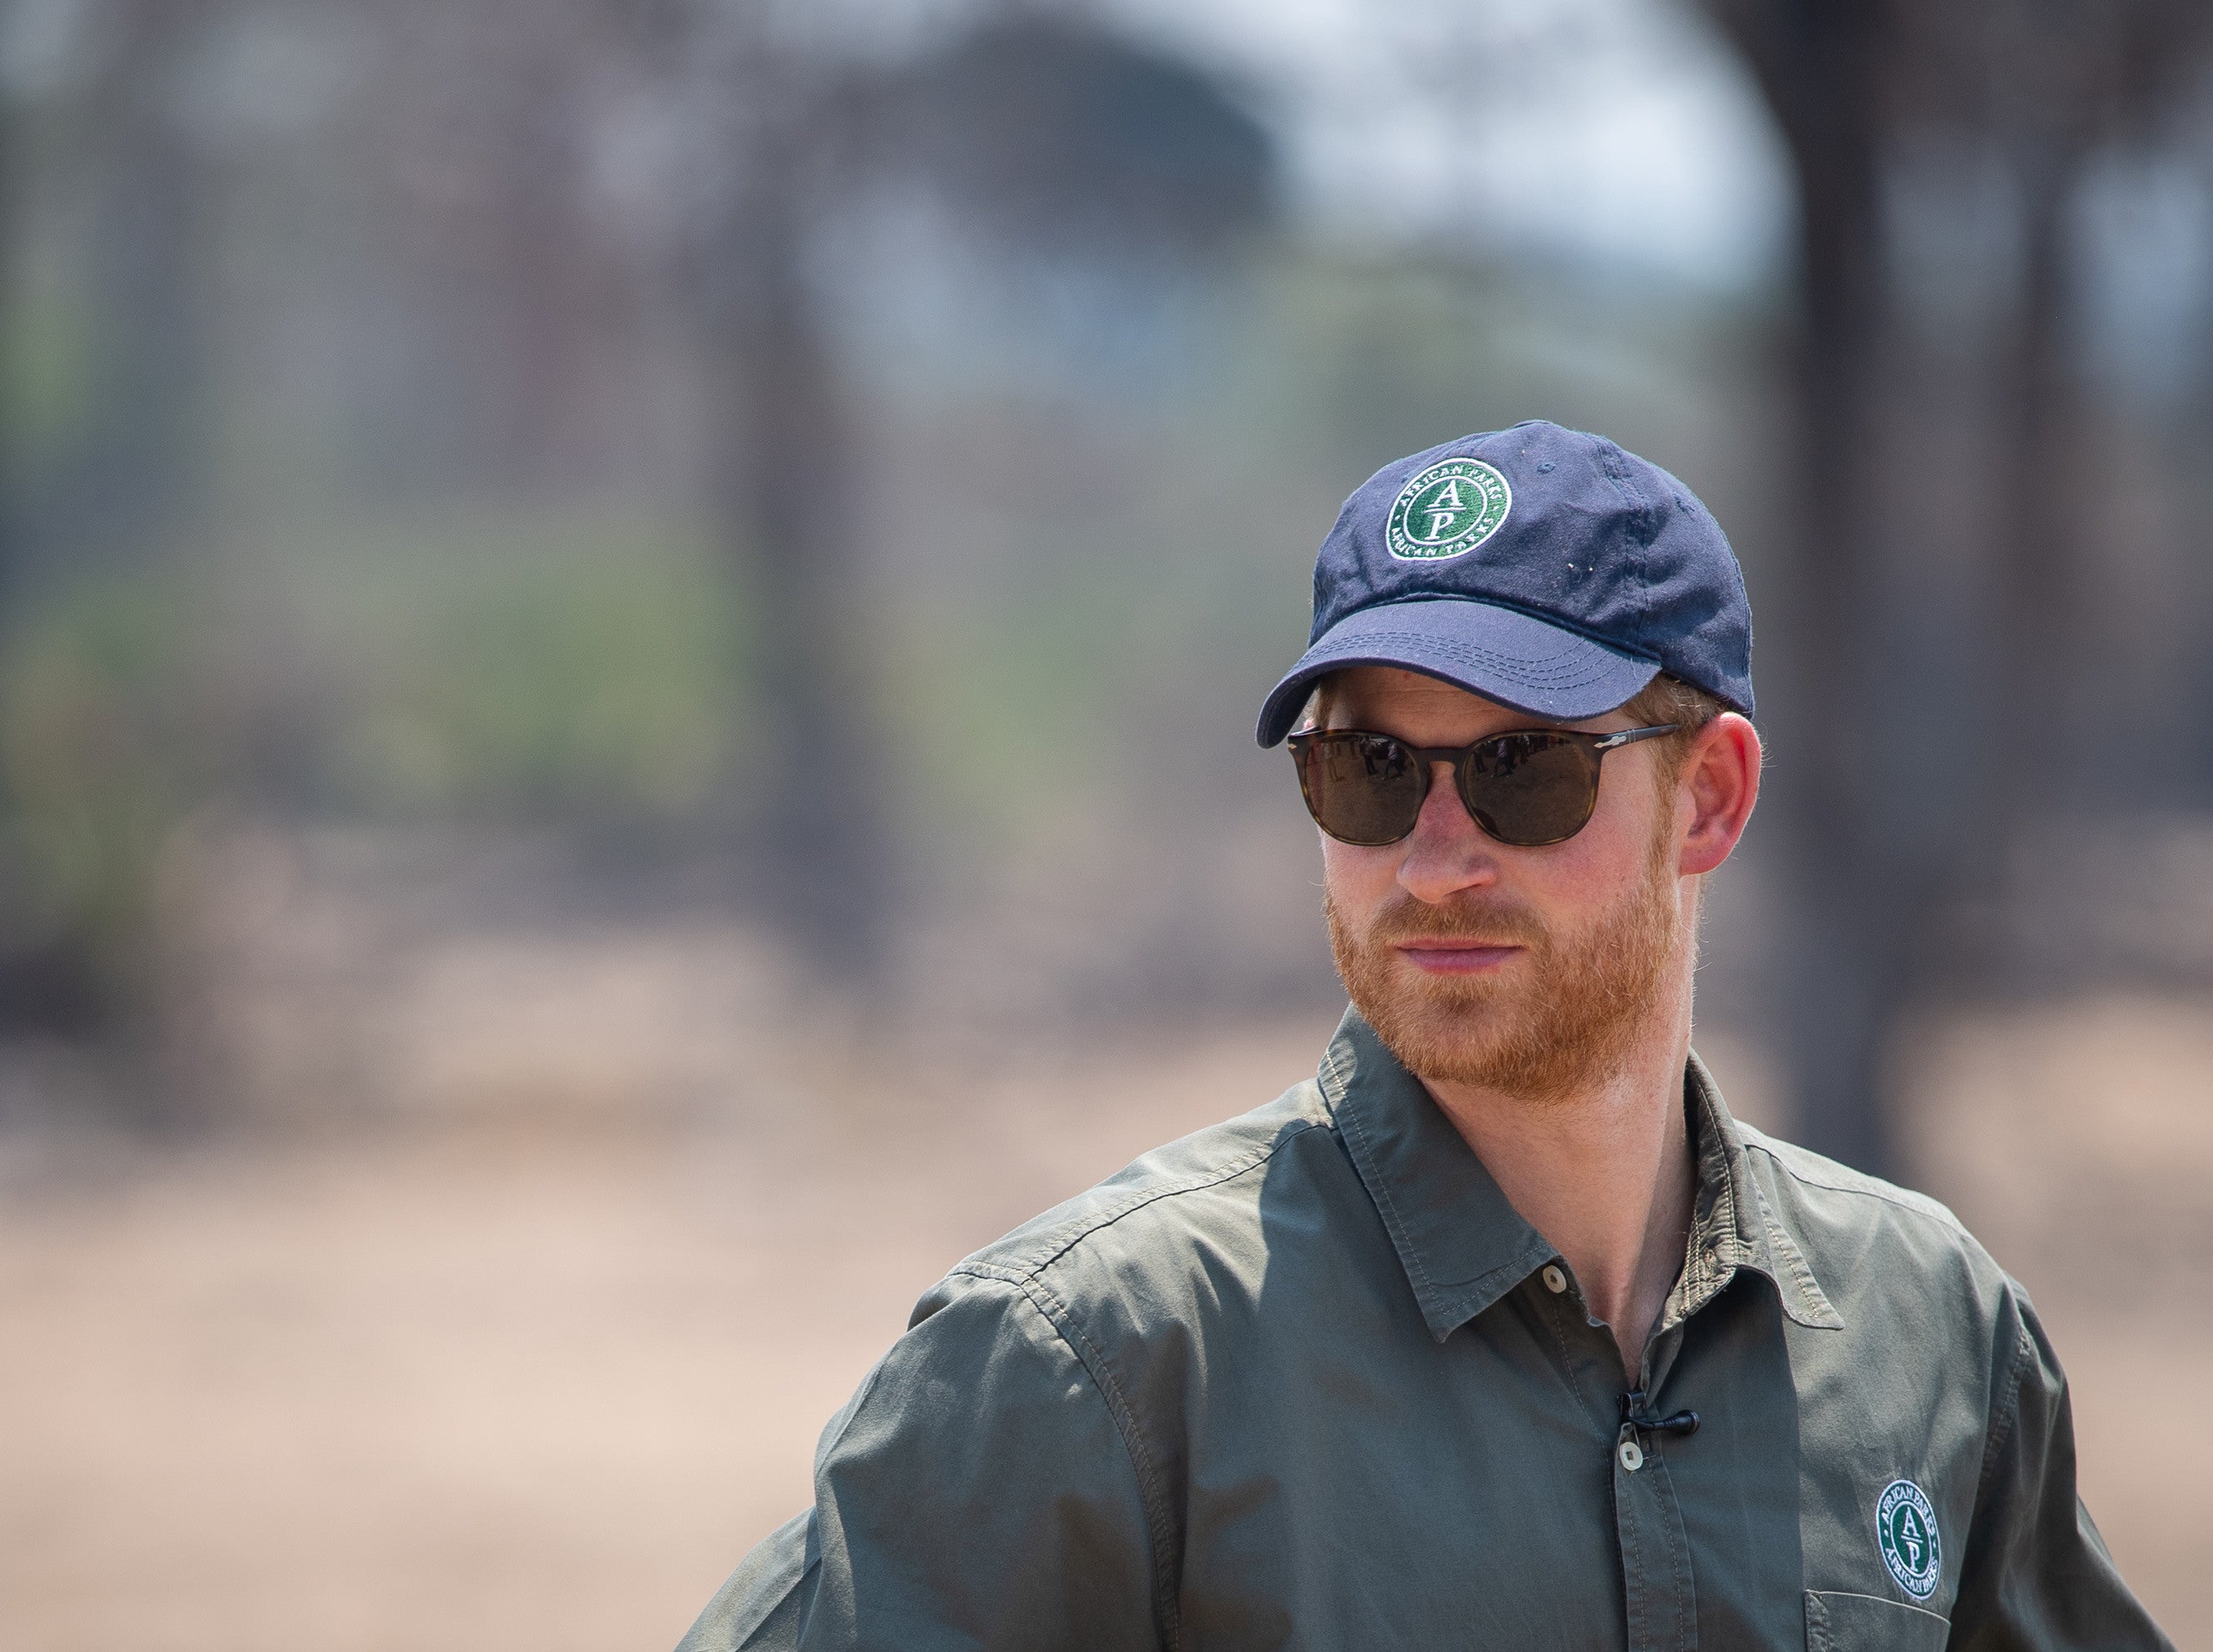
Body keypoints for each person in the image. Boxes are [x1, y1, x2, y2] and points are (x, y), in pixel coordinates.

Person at [678, 420, 2168, 1650]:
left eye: (1524, 768)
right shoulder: (1096, 1364)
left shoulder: (1933, 1333)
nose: (1436, 856)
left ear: (1708, 796)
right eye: (1369, 769)